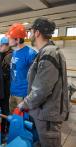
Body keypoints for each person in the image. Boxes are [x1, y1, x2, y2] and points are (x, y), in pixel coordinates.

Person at [18, 18, 69, 147]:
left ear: (37, 33)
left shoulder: (49, 53)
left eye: (31, 31)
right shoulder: (46, 52)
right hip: (44, 113)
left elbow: (42, 89)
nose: (30, 35)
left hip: (48, 116)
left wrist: (25, 103)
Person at [8, 23, 37, 113]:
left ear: (18, 39)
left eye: (10, 38)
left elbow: (36, 77)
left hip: (23, 94)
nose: (8, 40)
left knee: (22, 121)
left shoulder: (31, 54)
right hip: (12, 92)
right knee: (13, 119)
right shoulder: (15, 52)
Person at [0, 36, 13, 135]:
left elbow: (4, 73)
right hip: (6, 87)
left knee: (5, 109)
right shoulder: (5, 54)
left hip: (7, 87)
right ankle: (5, 128)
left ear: (6, 45)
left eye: (1, 45)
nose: (0, 47)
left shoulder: (9, 56)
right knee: (5, 109)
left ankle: (5, 129)